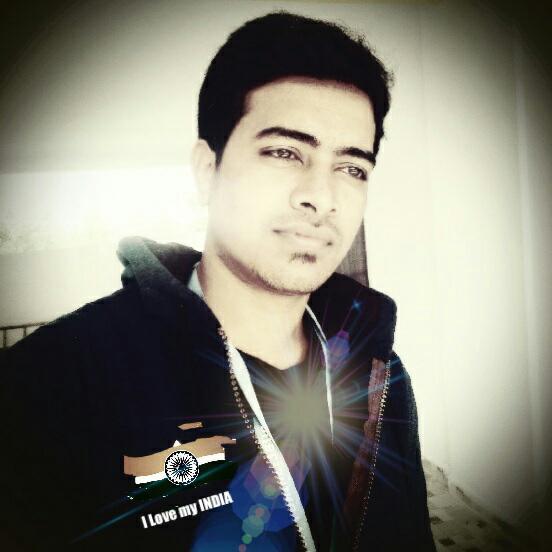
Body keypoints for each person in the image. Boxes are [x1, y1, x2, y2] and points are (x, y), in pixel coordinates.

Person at [0, 11, 435, 551]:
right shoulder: (52, 383)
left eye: (351, 168)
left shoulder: (381, 374)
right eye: (284, 152)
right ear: (208, 171)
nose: (321, 198)